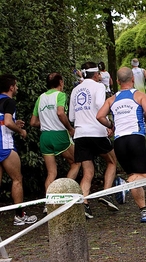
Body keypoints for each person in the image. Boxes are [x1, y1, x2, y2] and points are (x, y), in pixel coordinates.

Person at [96, 67, 146, 223]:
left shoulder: (112, 99)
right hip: (136, 138)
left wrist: (111, 125)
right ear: (133, 80)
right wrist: (144, 119)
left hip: (119, 141)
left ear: (117, 82)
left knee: (134, 175)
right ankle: (123, 184)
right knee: (144, 175)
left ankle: (144, 211)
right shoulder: (138, 94)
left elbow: (100, 116)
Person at [69, 62, 119, 219]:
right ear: (96, 74)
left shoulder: (75, 90)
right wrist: (110, 124)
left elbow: (71, 117)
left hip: (80, 134)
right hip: (96, 131)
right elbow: (99, 105)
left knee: (88, 172)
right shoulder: (99, 87)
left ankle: (84, 203)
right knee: (112, 162)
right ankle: (106, 193)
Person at [30, 73, 81, 214]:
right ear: (60, 82)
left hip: (45, 136)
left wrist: (46, 122)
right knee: (76, 162)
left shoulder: (40, 98)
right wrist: (70, 128)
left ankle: (49, 203)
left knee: (51, 172)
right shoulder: (60, 95)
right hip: (59, 134)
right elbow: (60, 113)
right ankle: (64, 196)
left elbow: (33, 122)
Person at [0, 74, 37, 225]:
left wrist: (16, 123)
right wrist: (20, 131)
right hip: (5, 145)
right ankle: (19, 215)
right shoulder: (9, 101)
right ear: (10, 87)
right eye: (15, 85)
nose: (17, 88)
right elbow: (7, 123)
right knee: (17, 179)